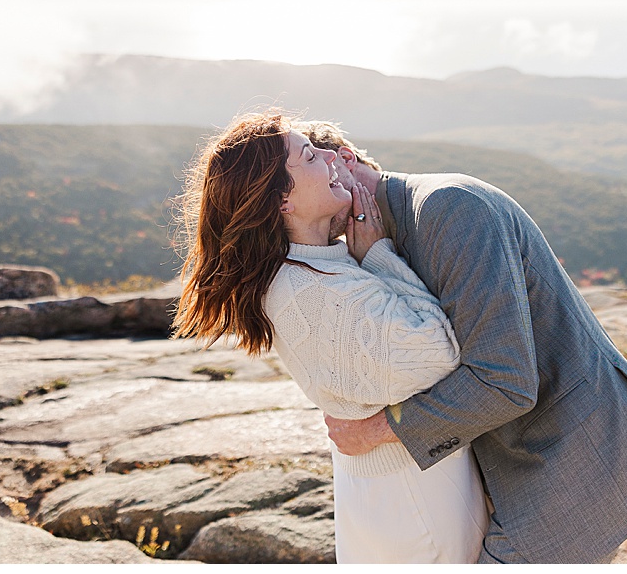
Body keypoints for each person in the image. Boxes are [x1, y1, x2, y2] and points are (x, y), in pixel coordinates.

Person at [298, 118, 627, 563]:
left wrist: (376, 430)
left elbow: (504, 380)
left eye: (327, 176)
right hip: (517, 455)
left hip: (574, 447)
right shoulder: (381, 236)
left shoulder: (448, 209)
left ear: (346, 160)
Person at [174, 110, 485, 562]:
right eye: (309, 155)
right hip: (414, 501)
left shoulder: (321, 263)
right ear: (283, 200)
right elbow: (438, 355)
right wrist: (379, 255)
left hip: (403, 485)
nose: (329, 154)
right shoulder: (307, 291)